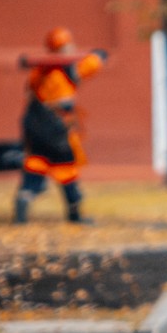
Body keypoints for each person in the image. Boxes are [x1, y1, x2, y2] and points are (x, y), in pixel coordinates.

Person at [14, 27, 106, 224]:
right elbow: (90, 65)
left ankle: (23, 201)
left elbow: (28, 93)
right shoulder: (67, 67)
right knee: (66, 169)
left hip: (34, 124)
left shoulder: (39, 70)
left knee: (36, 162)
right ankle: (75, 214)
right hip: (57, 126)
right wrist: (98, 56)